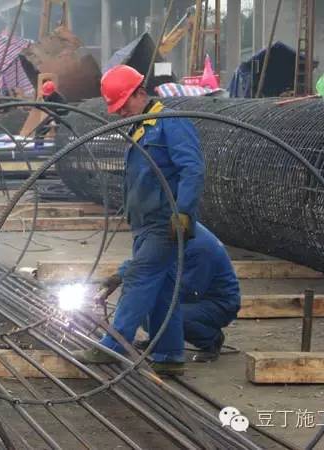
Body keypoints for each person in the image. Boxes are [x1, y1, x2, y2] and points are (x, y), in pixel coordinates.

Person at [72, 65, 205, 375]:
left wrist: (183, 211)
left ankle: (113, 345)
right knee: (162, 289)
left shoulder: (171, 124)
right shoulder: (141, 126)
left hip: (165, 222)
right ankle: (170, 355)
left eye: (123, 105)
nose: (120, 113)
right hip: (145, 224)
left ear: (141, 94)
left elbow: (192, 169)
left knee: (139, 279)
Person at [107, 222, 241, 363]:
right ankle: (158, 340)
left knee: (169, 314)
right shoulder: (166, 231)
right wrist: (119, 276)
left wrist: (152, 296)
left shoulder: (200, 248)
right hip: (193, 293)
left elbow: (190, 290)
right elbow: (145, 259)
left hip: (217, 303)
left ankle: (211, 340)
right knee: (147, 309)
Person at [34, 80, 68, 150]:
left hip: (61, 117)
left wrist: (54, 120)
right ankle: (38, 148)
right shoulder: (46, 95)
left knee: (60, 132)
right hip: (52, 115)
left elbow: (64, 112)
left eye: (47, 93)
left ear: (52, 91)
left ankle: (63, 149)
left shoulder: (61, 100)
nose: (46, 95)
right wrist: (39, 100)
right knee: (39, 129)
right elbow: (40, 106)